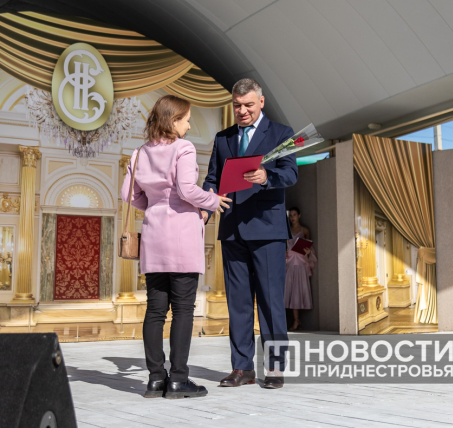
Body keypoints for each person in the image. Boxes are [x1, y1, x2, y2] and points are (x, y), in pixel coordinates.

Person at [121, 95, 232, 399]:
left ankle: (156, 379)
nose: (189, 125)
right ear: (173, 121)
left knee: (155, 310)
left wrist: (154, 204)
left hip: (154, 236)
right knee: (183, 309)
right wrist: (213, 201)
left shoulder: (139, 152)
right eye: (186, 120)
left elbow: (128, 194)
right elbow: (186, 189)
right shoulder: (183, 148)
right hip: (181, 235)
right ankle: (178, 380)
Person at [202, 78, 298, 389]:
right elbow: (212, 179)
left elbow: (291, 173)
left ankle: (275, 368)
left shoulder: (282, 133)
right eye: (237, 106)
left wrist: (267, 175)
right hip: (232, 230)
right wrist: (206, 205)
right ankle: (242, 368)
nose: (242, 111)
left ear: (261, 102)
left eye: (248, 105)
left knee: (270, 302)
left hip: (267, 230)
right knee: (238, 304)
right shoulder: (223, 138)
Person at [285, 207, 317, 331]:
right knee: (290, 291)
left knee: (298, 291)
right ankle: (296, 320)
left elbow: (309, 246)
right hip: (289, 263)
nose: (292, 217)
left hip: (301, 263)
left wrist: (309, 252)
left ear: (299, 215)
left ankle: (296, 320)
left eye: (294, 215)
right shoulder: (287, 230)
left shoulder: (305, 230)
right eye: (290, 215)